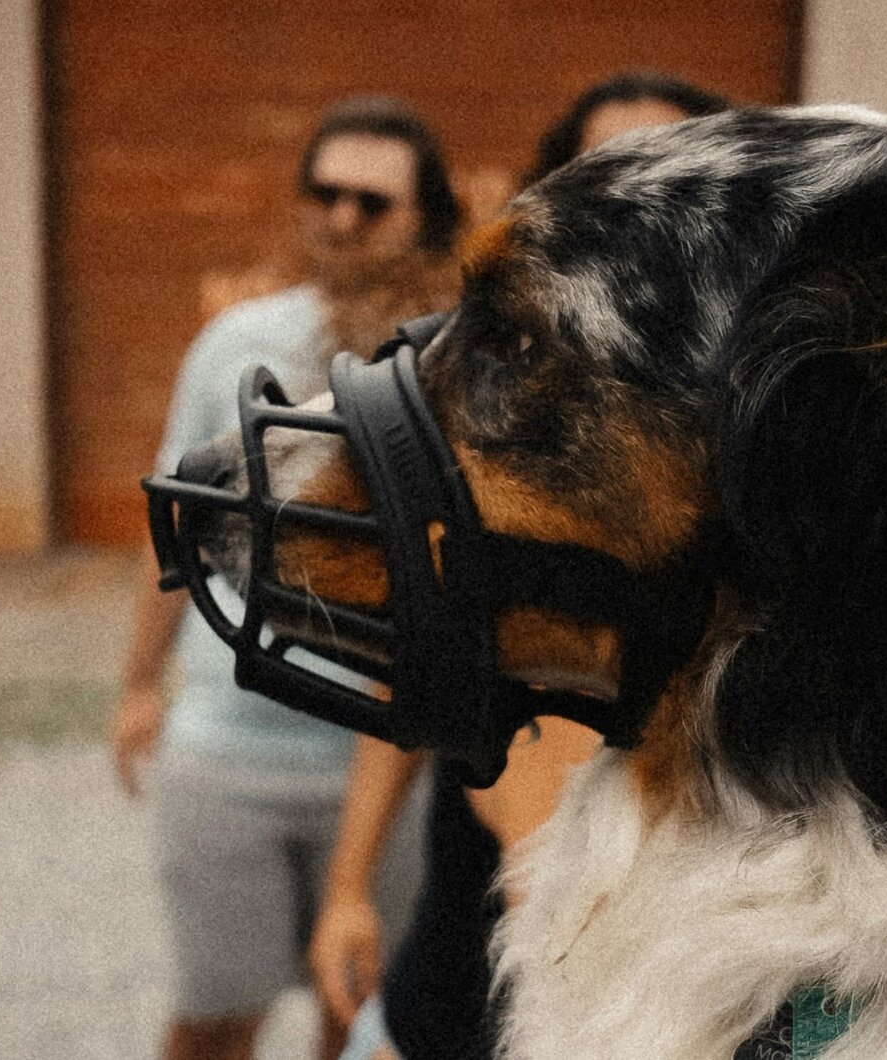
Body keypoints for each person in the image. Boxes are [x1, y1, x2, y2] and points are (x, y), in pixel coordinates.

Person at [309, 72, 731, 1060]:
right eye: (596, 166)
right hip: (448, 1002)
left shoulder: (728, 519)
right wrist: (344, 890)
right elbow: (409, 663)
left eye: (656, 175)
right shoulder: (496, 438)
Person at [110, 96, 461, 1060]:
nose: (343, 218)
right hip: (228, 749)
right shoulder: (233, 342)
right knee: (217, 1013)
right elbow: (173, 526)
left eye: (372, 202)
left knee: (356, 1013)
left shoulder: (449, 358)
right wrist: (141, 684)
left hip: (385, 758)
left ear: (424, 214)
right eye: (326, 193)